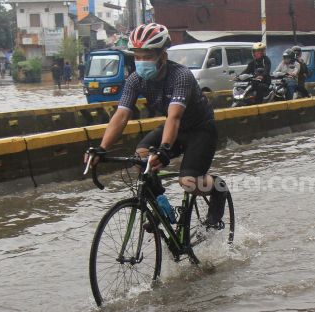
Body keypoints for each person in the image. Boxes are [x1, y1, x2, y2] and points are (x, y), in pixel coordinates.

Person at [86, 23, 228, 227]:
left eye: (147, 56)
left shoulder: (180, 76)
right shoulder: (135, 79)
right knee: (140, 158)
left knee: (188, 182)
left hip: (200, 130)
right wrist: (102, 148)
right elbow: (121, 115)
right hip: (175, 130)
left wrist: (164, 149)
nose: (141, 62)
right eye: (137, 56)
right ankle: (162, 208)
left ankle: (218, 188)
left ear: (163, 56)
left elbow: (174, 117)